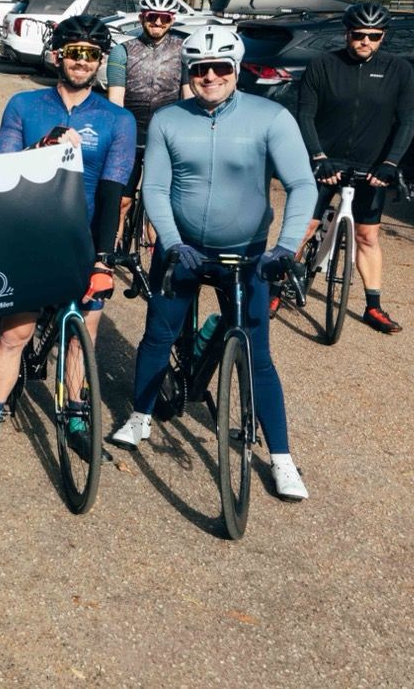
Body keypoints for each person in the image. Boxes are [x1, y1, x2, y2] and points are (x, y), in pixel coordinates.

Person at [108, 25, 316, 501]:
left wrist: (285, 248)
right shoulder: (169, 119)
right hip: (183, 248)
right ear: (189, 72)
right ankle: (140, 416)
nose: (210, 77)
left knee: (258, 357)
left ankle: (281, 458)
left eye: (221, 67)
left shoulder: (271, 117)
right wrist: (171, 241)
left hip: (248, 253)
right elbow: (154, 187)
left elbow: (302, 185)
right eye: (200, 69)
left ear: (236, 70)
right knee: (158, 335)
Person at [0, 16, 135, 462]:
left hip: (83, 240)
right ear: (57, 55)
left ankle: (76, 419)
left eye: (91, 55)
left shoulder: (118, 119)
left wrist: (103, 260)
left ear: (100, 61)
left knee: (81, 336)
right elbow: (1, 165)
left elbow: (112, 190)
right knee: (15, 334)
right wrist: (44, 146)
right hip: (31, 236)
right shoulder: (24, 104)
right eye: (73, 52)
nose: (81, 61)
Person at [294, 1, 414, 332]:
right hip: (324, 161)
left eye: (374, 36)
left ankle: (373, 307)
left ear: (383, 36)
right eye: (358, 34)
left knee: (367, 236)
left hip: (372, 167)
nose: (365, 41)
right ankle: (277, 287)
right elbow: (305, 114)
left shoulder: (398, 70)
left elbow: (408, 121)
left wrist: (390, 163)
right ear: (346, 33)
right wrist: (317, 156)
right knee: (304, 227)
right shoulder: (323, 65)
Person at [106, 0, 189, 245]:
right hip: (131, 134)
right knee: (122, 201)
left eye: (165, 18)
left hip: (165, 136)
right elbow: (116, 102)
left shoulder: (183, 51)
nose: (158, 22)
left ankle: (158, 255)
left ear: (172, 20)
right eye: (153, 16)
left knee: (161, 203)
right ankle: (111, 248)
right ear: (142, 17)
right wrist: (118, 138)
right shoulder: (122, 51)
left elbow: (187, 98)